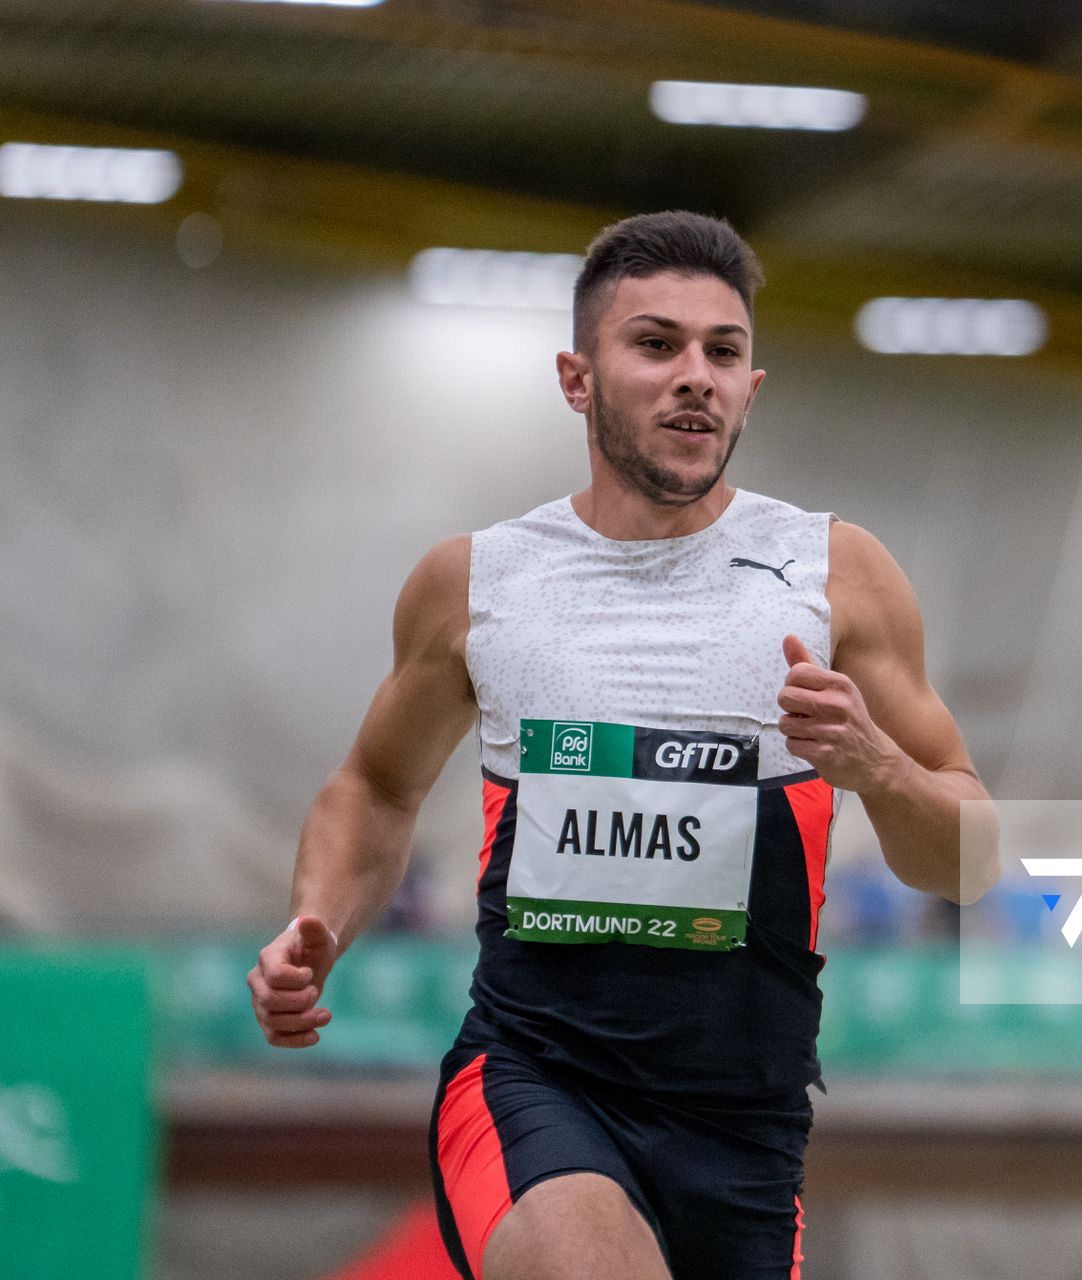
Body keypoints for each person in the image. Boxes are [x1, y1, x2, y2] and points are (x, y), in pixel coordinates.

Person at [246, 210, 999, 1280]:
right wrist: (315, 919)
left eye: (722, 352)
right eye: (656, 344)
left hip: (745, 1122)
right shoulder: (479, 582)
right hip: (534, 1079)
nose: (695, 375)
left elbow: (969, 860)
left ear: (751, 385)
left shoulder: (838, 575)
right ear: (577, 376)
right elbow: (374, 783)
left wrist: (874, 761)